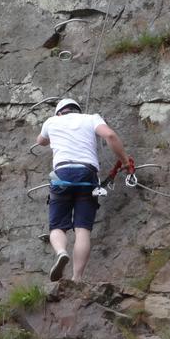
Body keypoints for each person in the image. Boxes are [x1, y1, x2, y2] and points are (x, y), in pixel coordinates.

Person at [35, 98, 134, 282]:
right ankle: (77, 278)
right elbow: (110, 136)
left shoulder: (51, 122)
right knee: (82, 230)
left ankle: (61, 252)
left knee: (57, 227)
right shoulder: (91, 118)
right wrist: (126, 161)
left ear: (59, 112)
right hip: (87, 175)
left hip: (61, 175)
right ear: (78, 111)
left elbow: (40, 141)